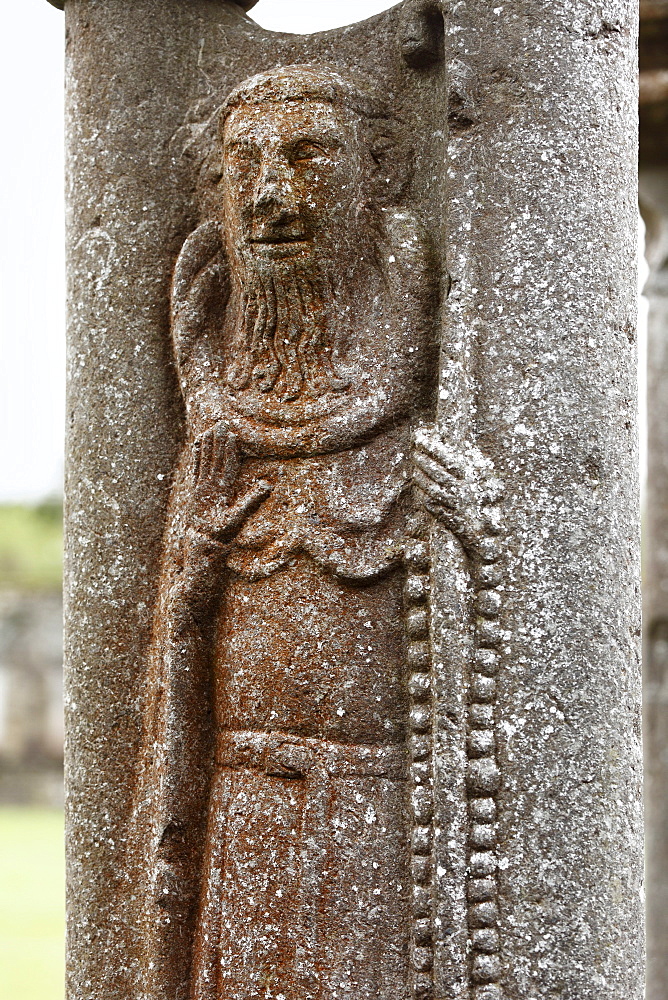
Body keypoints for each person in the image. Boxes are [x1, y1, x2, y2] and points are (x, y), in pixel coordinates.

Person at [133, 64, 480, 1000]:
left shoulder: (417, 435)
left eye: (309, 158)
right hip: (246, 818)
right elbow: (176, 673)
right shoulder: (216, 443)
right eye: (244, 165)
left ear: (380, 176)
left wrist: (469, 533)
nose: (273, 195)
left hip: (377, 823)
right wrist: (194, 566)